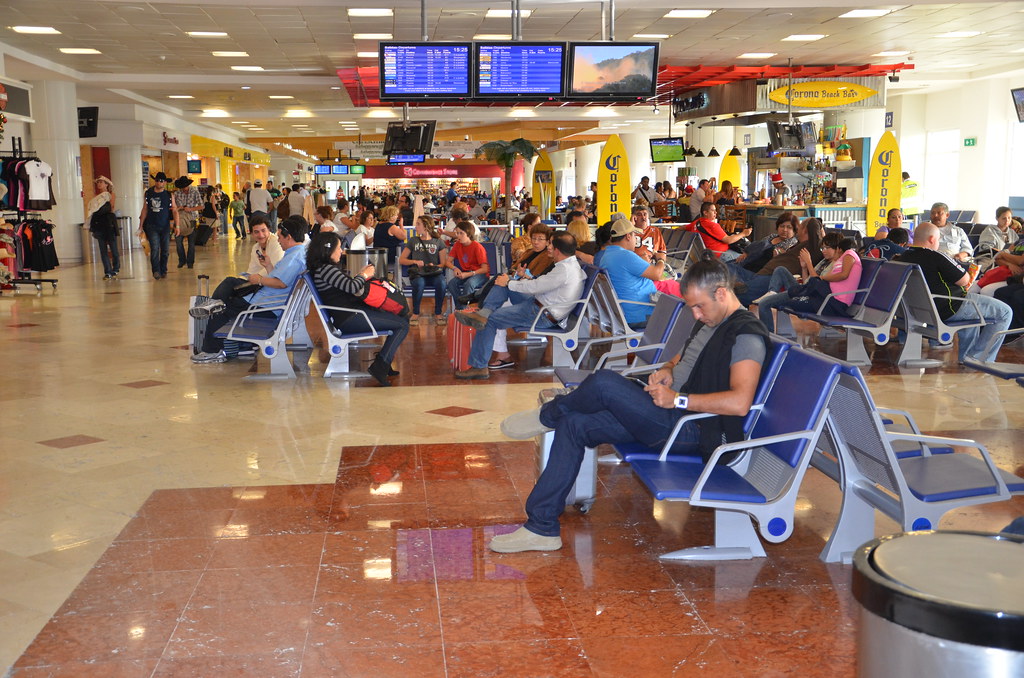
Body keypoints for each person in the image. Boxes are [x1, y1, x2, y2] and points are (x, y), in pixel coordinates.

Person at [489, 254, 770, 552]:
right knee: (575, 424)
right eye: (692, 308)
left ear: (722, 293)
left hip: (694, 430)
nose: (696, 314)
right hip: (670, 415)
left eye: (700, 306)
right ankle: (541, 527)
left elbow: (740, 403)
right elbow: (683, 357)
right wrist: (667, 371)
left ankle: (547, 416)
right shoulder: (710, 321)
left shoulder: (746, 335)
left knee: (604, 382)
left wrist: (679, 398)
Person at [454, 232, 586, 380]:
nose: (548, 247)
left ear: (557, 250)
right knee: (505, 281)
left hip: (541, 314)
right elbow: (545, 284)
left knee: (491, 319)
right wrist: (522, 279)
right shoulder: (568, 265)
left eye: (550, 244)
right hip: (539, 304)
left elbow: (536, 287)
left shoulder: (564, 270)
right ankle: (484, 312)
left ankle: (479, 366)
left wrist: (510, 282)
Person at [191, 216, 310, 364]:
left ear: (289, 237)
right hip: (269, 304)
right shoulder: (296, 253)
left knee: (221, 310)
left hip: (265, 307)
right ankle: (214, 305)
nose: (278, 240)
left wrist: (259, 279)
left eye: (279, 236)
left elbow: (281, 283)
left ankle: (212, 350)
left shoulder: (294, 257)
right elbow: (282, 279)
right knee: (229, 291)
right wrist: (268, 266)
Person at [895, 223, 1012, 364]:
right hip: (948, 308)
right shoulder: (936, 256)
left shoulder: (903, 256)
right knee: (1005, 312)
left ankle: (966, 358)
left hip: (920, 310)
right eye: (938, 240)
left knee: (974, 314)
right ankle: (980, 358)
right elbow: (964, 280)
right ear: (932, 239)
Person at [306, 231, 409, 386]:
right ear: (327, 250)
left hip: (350, 314)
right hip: (351, 317)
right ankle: (380, 365)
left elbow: (347, 286)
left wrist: (361, 275)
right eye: (339, 248)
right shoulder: (326, 270)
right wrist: (365, 275)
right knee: (402, 324)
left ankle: (384, 362)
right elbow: (351, 287)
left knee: (401, 318)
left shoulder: (323, 269)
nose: (341, 251)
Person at [757, 233, 862, 332]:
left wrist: (809, 263)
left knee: (766, 303)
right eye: (822, 248)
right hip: (810, 291)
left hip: (816, 295)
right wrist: (804, 268)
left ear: (837, 248)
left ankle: (768, 332)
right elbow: (810, 282)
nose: (823, 251)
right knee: (781, 270)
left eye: (826, 248)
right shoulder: (825, 262)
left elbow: (818, 280)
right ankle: (774, 292)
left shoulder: (838, 262)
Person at [192, 215, 284, 313]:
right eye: (256, 232)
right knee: (233, 288)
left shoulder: (276, 243)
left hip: (267, 283)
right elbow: (252, 269)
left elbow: (274, 267)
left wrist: (256, 277)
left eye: (263, 230)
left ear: (269, 230)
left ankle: (211, 306)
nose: (260, 235)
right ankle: (214, 308)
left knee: (230, 282)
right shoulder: (256, 248)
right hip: (257, 282)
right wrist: (246, 279)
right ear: (252, 233)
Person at [727, 218, 825, 306]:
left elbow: (821, 236)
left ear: (805, 230)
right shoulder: (799, 243)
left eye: (799, 226)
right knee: (728, 268)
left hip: (772, 277)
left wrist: (818, 225)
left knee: (736, 294)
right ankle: (737, 286)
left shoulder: (813, 246)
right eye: (782, 226)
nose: (785, 230)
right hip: (760, 273)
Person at [600, 218, 664, 327]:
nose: (636, 240)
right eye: (635, 236)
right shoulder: (626, 256)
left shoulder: (606, 255)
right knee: (682, 313)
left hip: (624, 312)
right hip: (641, 314)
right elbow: (657, 274)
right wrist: (661, 259)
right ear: (628, 236)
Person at [400, 215, 448, 324]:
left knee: (441, 283)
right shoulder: (413, 241)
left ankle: (438, 313)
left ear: (425, 226)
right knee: (419, 284)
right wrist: (415, 262)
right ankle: (416, 313)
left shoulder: (438, 242)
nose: (415, 227)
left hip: (434, 273)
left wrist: (434, 266)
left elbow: (443, 263)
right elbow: (402, 260)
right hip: (418, 273)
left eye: (418, 224)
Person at [138, 172, 177, 280]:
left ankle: (163, 269)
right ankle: (156, 271)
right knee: (154, 248)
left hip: (165, 226)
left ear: (164, 182)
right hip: (152, 225)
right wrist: (141, 225)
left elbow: (174, 210)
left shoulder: (169, 195)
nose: (159, 182)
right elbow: (145, 209)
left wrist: (176, 225)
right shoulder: (148, 193)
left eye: (161, 180)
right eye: (157, 180)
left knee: (165, 250)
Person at [445, 221, 490, 316]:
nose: (458, 236)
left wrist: (469, 274)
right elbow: (447, 262)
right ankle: (461, 307)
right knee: (452, 283)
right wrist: (455, 268)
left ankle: (463, 310)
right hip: (466, 272)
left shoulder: (477, 247)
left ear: (469, 234)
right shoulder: (457, 245)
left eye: (461, 233)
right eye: (457, 233)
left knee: (469, 284)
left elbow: (485, 269)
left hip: (479, 274)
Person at [686, 202, 752, 263]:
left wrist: (677, 229)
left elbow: (683, 228)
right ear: (705, 212)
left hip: (707, 254)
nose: (716, 212)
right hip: (721, 255)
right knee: (748, 258)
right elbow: (728, 240)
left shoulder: (697, 223)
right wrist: (743, 233)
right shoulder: (712, 226)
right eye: (713, 210)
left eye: (715, 210)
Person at [87, 176, 120, 280]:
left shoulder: (110, 195)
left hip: (109, 223)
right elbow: (93, 209)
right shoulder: (96, 197)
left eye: (101, 182)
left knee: (114, 249)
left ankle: (116, 268)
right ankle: (108, 271)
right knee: (103, 249)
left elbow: (111, 207)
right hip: (99, 224)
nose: (99, 184)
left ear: (107, 184)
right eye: (98, 182)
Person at [173, 176, 203, 269]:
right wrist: (179, 208)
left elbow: (201, 206)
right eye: (182, 187)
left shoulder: (195, 192)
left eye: (185, 186)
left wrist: (190, 209)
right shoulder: (176, 193)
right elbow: (174, 208)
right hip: (180, 220)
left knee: (191, 243)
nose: (183, 189)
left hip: (192, 219)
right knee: (178, 242)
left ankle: (190, 262)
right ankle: (181, 260)